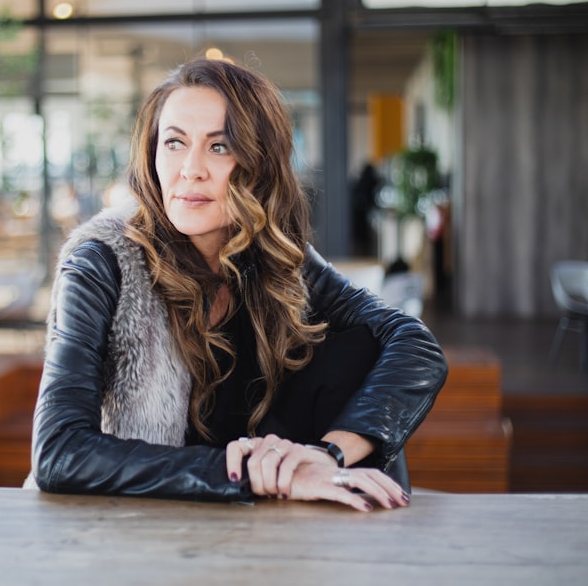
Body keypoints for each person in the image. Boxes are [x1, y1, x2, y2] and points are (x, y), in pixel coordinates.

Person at [26, 57, 447, 511]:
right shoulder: (101, 262)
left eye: (219, 147)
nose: (191, 169)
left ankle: (368, 530)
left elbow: (413, 343)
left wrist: (328, 456)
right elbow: (58, 452)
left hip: (255, 522)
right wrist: (243, 475)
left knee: (361, 345)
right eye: (173, 143)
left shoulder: (276, 257)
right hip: (142, 520)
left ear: (259, 163)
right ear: (151, 155)